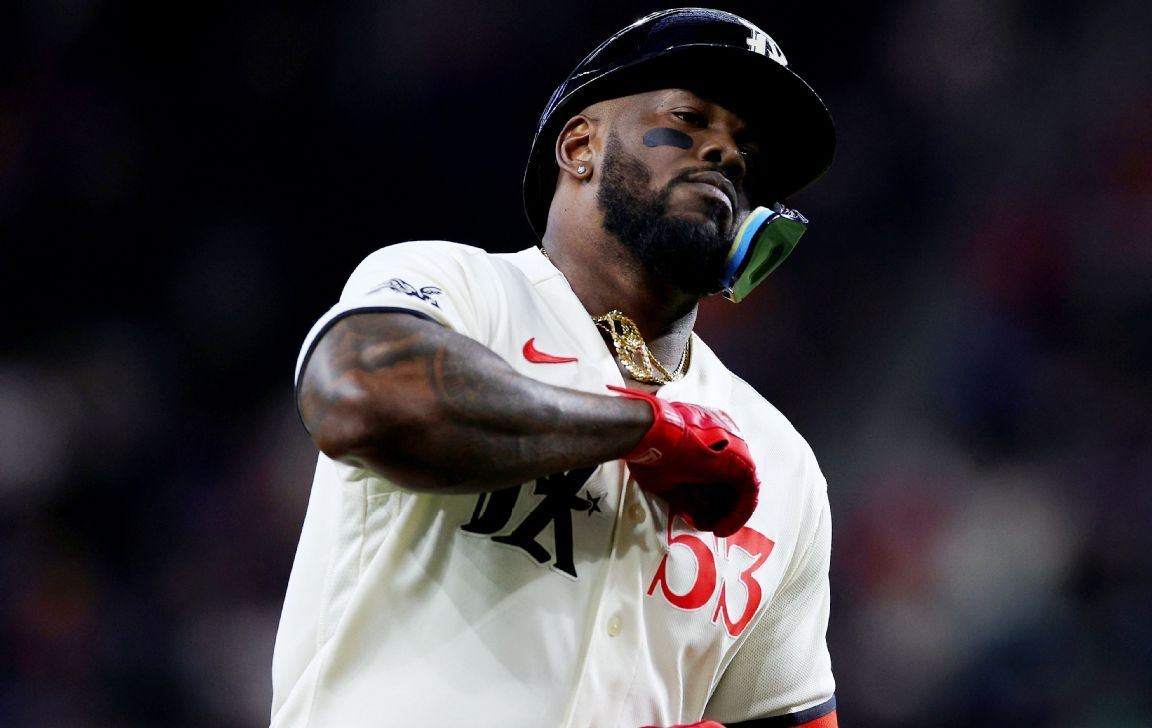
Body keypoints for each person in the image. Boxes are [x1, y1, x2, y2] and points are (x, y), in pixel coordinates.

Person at [270, 8, 838, 727]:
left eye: (748, 151)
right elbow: (358, 399)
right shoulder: (457, 292)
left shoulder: (782, 463)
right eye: (690, 121)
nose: (727, 155)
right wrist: (644, 430)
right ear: (580, 145)